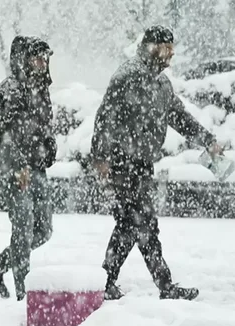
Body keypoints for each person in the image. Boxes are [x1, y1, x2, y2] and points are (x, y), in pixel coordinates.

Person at [91, 25, 224, 301]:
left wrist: (207, 140)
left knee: (131, 225)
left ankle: (105, 281)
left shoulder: (162, 84)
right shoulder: (127, 76)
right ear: (153, 47)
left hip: (142, 164)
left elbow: (178, 116)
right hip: (121, 162)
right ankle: (164, 285)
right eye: (167, 48)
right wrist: (101, 158)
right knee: (143, 223)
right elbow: (105, 118)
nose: (171, 54)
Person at [0, 36, 57, 301]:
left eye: (46, 59)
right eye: (37, 58)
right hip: (16, 171)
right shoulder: (10, 90)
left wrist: (49, 146)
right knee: (23, 230)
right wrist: (17, 166)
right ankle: (25, 295)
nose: (43, 64)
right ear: (25, 60)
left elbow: (44, 126)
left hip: (37, 170)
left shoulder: (41, 90)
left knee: (43, 231)